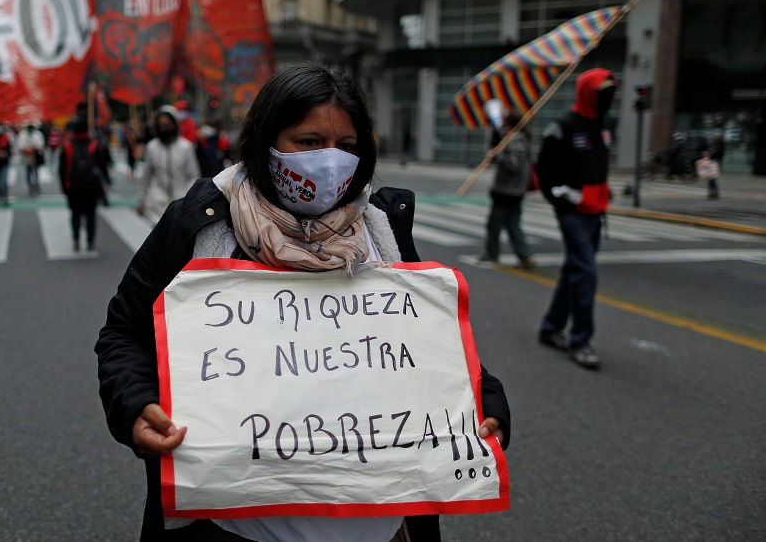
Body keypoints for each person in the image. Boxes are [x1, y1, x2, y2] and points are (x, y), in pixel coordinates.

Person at [95, 64, 511, 541]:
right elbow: (124, 332)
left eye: (347, 147)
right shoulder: (200, 224)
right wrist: (135, 404)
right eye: (309, 142)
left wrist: (486, 402)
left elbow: (434, 349)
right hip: (233, 527)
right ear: (265, 141)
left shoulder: (381, 229)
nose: (330, 162)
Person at [536, 68, 617, 369]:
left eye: (612, 90)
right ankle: (581, 340)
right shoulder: (563, 126)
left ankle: (550, 327)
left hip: (597, 212)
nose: (609, 97)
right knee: (586, 272)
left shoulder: (607, 123)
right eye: (602, 91)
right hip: (572, 214)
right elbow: (544, 170)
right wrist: (561, 198)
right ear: (587, 93)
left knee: (575, 271)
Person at [479, 109, 536, 270]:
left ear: (509, 123)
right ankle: (525, 255)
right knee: (512, 223)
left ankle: (493, 253)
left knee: (495, 223)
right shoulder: (510, 137)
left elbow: (514, 164)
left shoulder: (516, 139)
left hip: (508, 190)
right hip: (512, 189)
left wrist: (498, 157)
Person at [136, 105, 200, 224]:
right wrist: (141, 202)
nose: (164, 128)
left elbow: (193, 176)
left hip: (181, 205)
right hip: (156, 207)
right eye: (161, 125)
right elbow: (146, 177)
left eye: (167, 124)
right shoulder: (152, 148)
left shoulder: (186, 147)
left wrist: (190, 199)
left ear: (175, 124)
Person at [59, 113, 111, 251]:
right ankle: (90, 241)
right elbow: (102, 165)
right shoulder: (94, 145)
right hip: (91, 187)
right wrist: (107, 181)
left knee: (75, 214)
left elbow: (62, 169)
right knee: (90, 215)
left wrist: (64, 188)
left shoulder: (67, 147)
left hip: (73, 188)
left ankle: (76, 239)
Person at [17, 122, 46, 196]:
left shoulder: (38, 134)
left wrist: (32, 149)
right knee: (28, 172)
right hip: (27, 157)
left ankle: (36, 185)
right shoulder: (22, 134)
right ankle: (30, 186)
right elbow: (20, 145)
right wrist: (27, 150)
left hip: (35, 157)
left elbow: (40, 144)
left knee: (36, 172)